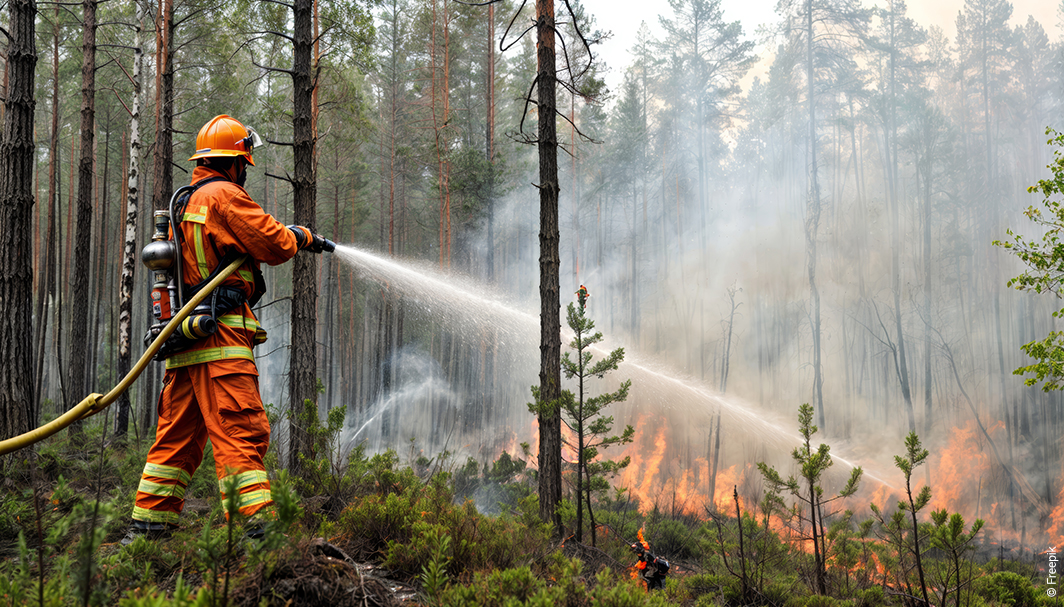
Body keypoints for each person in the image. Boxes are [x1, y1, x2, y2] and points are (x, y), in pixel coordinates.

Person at [123, 115, 331, 544]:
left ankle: (147, 531)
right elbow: (273, 244)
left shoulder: (186, 202)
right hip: (219, 339)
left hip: (184, 339)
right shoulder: (223, 195)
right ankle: (258, 533)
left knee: (176, 438)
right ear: (234, 162)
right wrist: (298, 235)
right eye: (245, 163)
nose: (245, 172)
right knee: (240, 431)